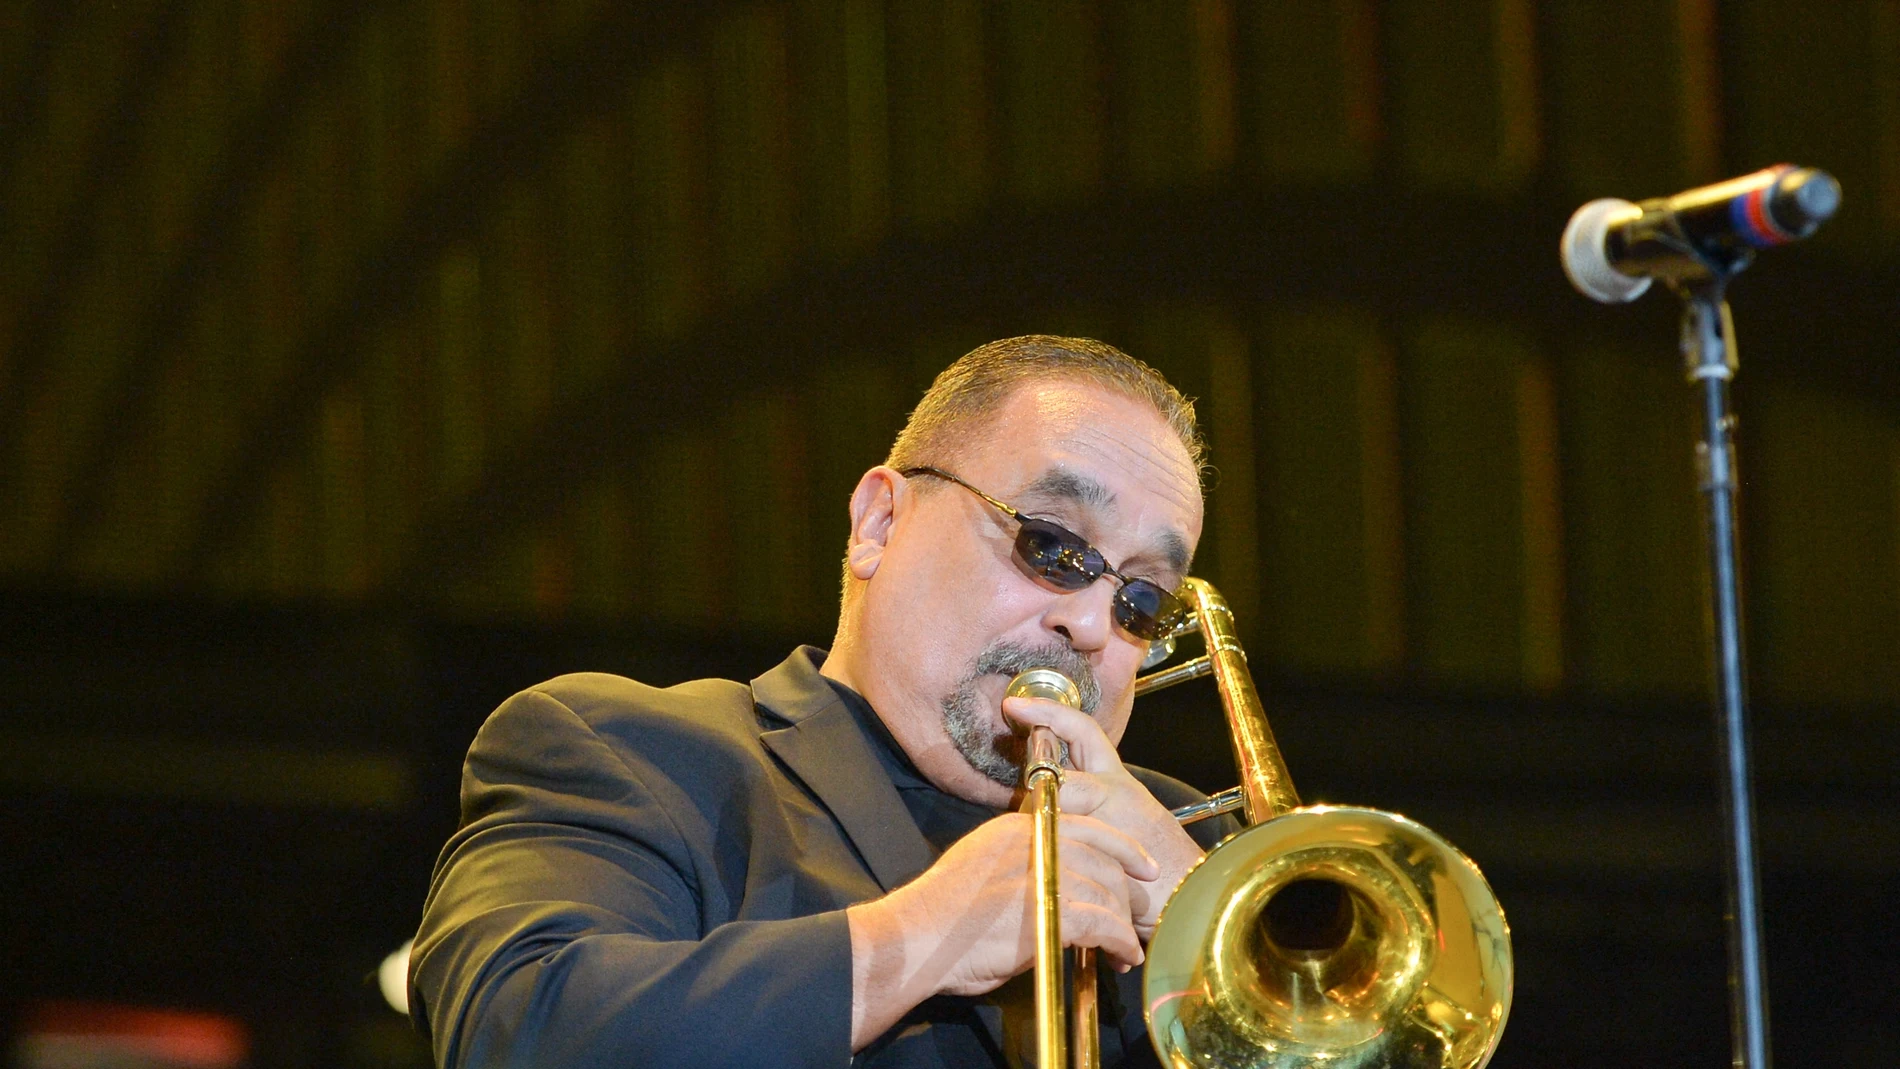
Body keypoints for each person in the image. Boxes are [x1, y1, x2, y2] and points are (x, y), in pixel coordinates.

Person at [409, 335, 1237, 1067]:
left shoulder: (1199, 854)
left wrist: (1219, 944)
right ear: (879, 522)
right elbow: (518, 1029)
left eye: (1143, 602)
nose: (1091, 624)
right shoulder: (629, 750)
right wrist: (920, 936)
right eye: (1051, 545)